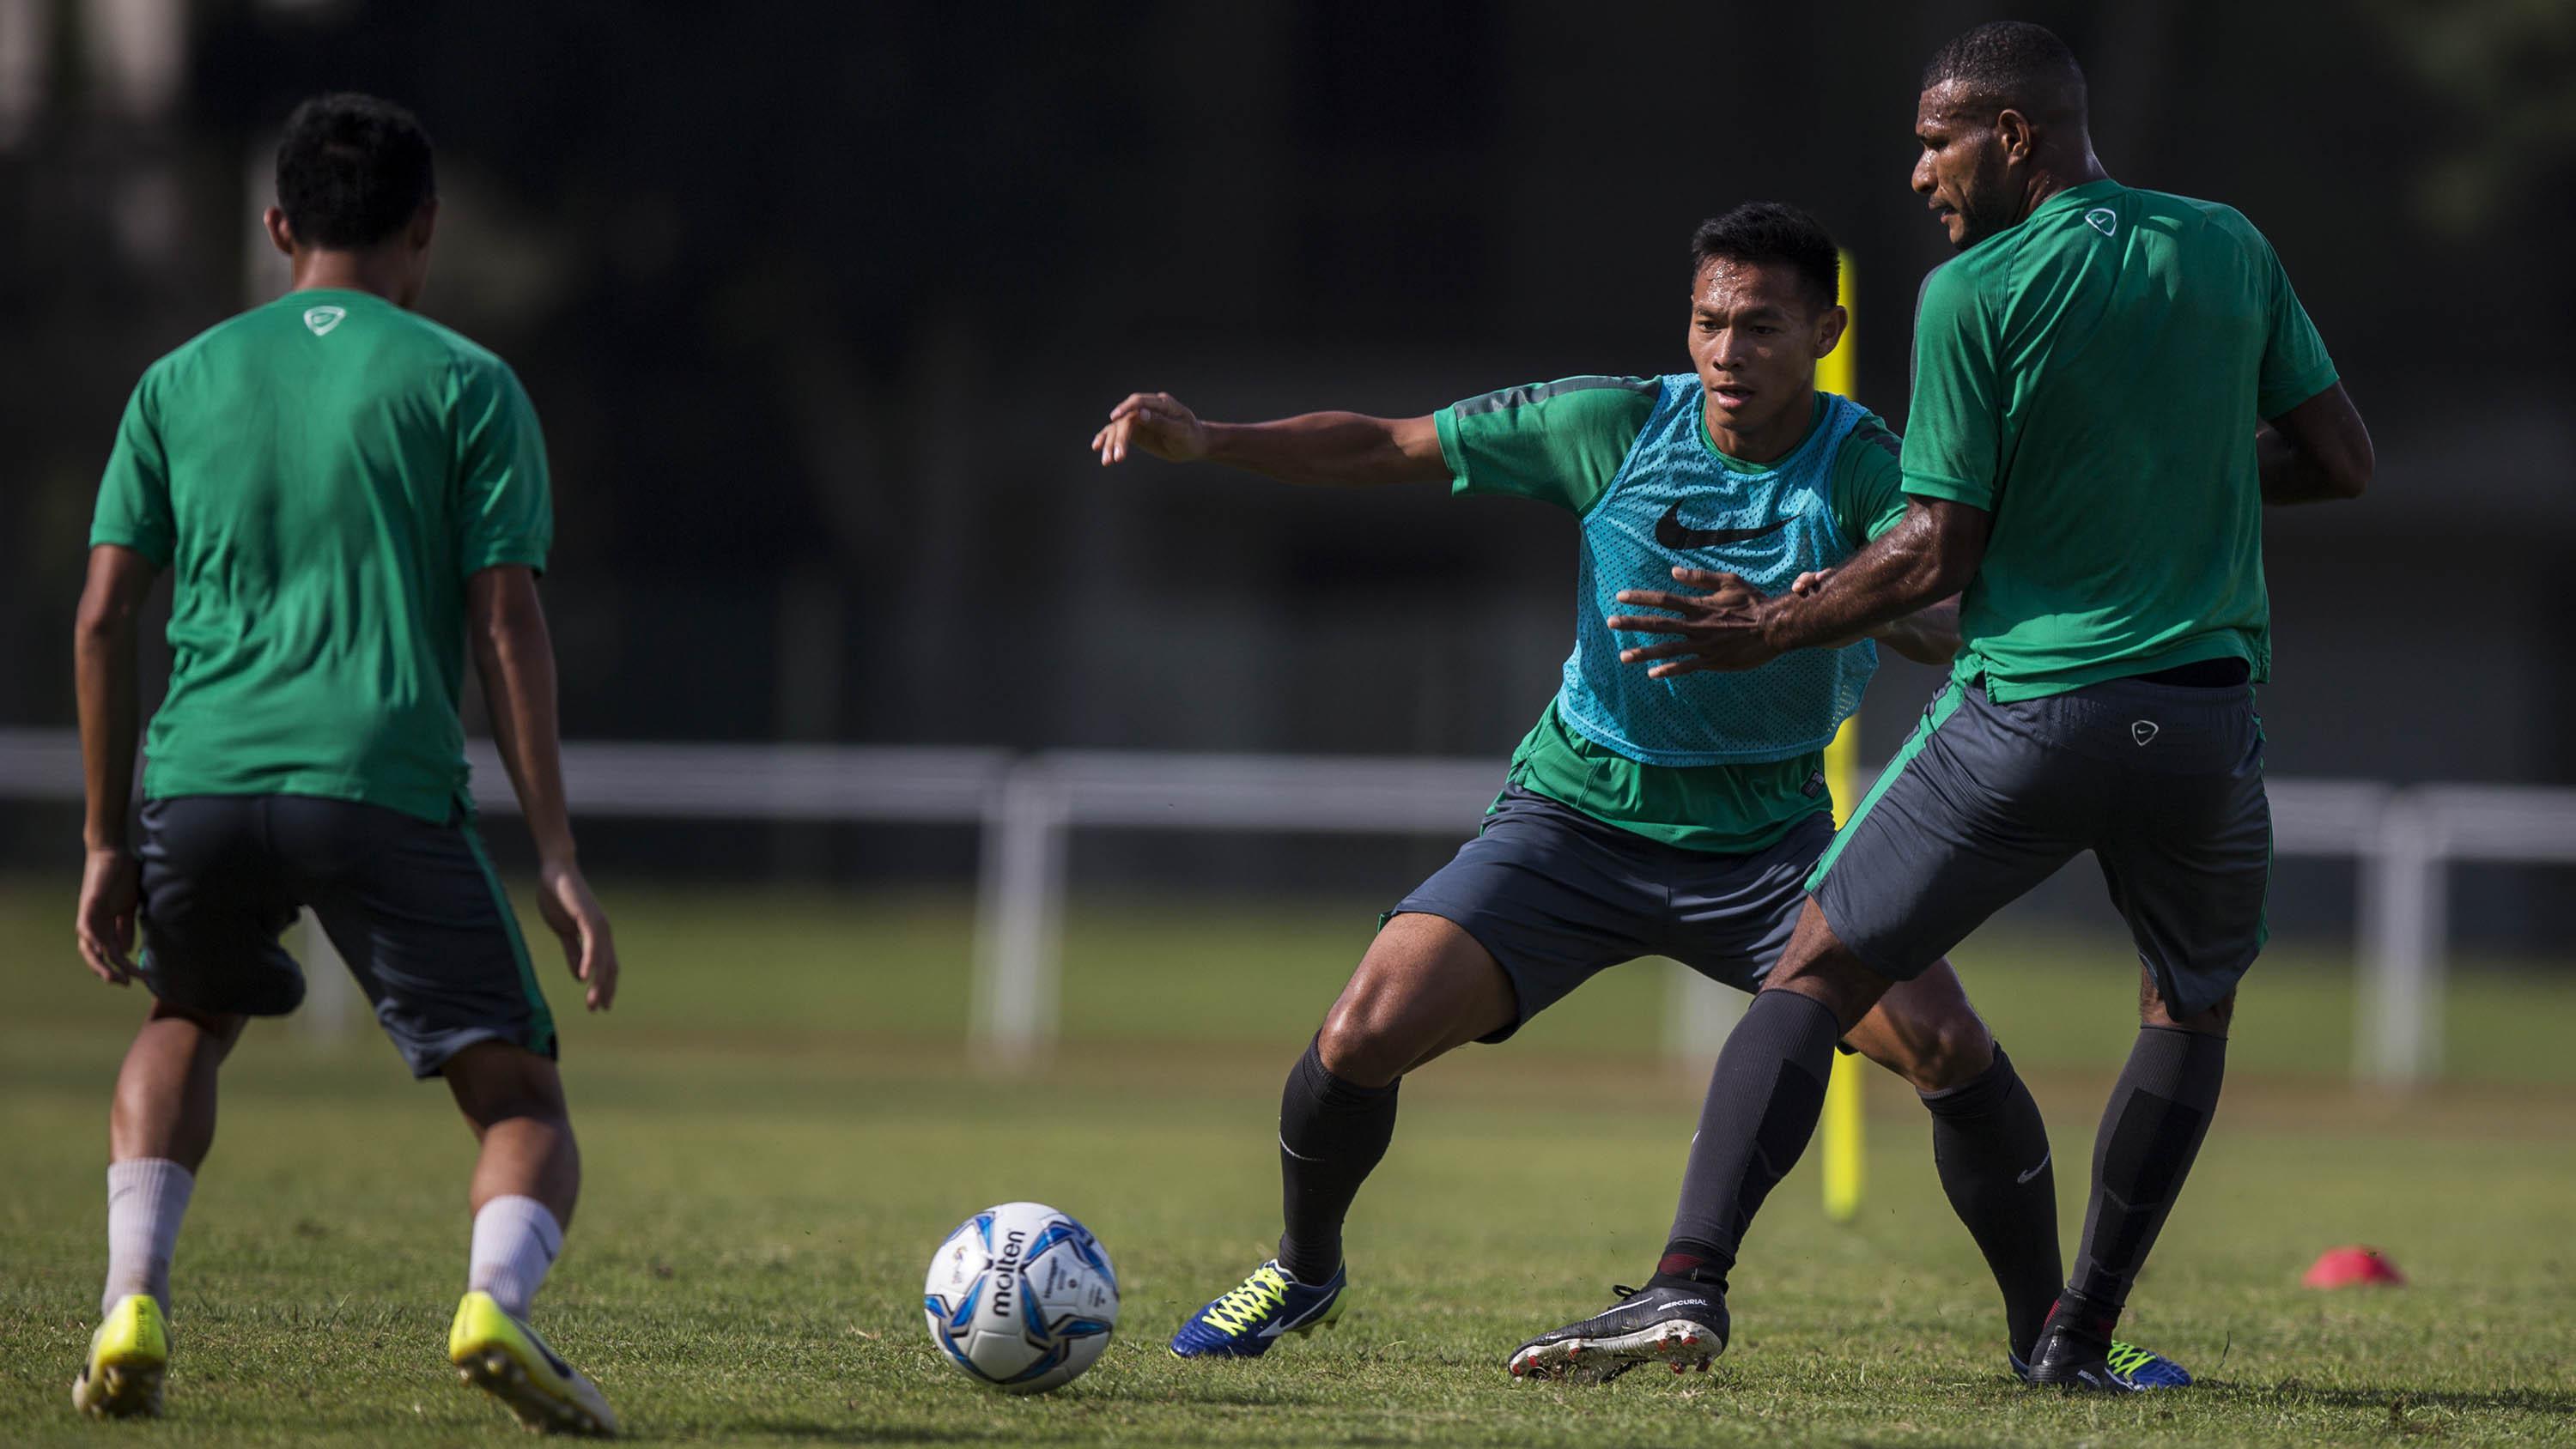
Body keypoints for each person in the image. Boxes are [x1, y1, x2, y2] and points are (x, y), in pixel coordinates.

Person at [1092, 202, 2184, 1385]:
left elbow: (1942, 609)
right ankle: (1305, 1270)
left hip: (1771, 849)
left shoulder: (1869, 462)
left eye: (1761, 327)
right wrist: (1212, 442)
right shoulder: (1611, 424)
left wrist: (1844, 606)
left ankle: (2052, 1339)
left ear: (1825, 331)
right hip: (1574, 826)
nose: (1727, 352)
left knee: (1945, 1041)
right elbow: (1392, 444)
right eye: (1711, 322)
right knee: (1361, 1033)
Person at [1510, 22, 2372, 1391]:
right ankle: (2075, 1339)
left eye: (1935, 139)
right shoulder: (2226, 243)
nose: (1919, 173)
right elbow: (2340, 459)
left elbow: (1935, 551)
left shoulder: (1975, 290)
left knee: (1814, 971)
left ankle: (1685, 1285)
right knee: (2185, 1014)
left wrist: (1769, 625)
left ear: (2013, 137)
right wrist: (2170, 475)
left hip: (2034, 709)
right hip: (2205, 722)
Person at [70, 93, 622, 1434]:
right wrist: (556, 856)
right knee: (520, 1098)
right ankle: (496, 1305)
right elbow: (505, 628)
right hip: (374, 776)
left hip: (194, 778)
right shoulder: (466, 384)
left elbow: (101, 617)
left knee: (185, 1021)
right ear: (424, 230)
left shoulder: (178, 381)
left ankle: (128, 1303)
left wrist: (102, 839)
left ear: (276, 228)